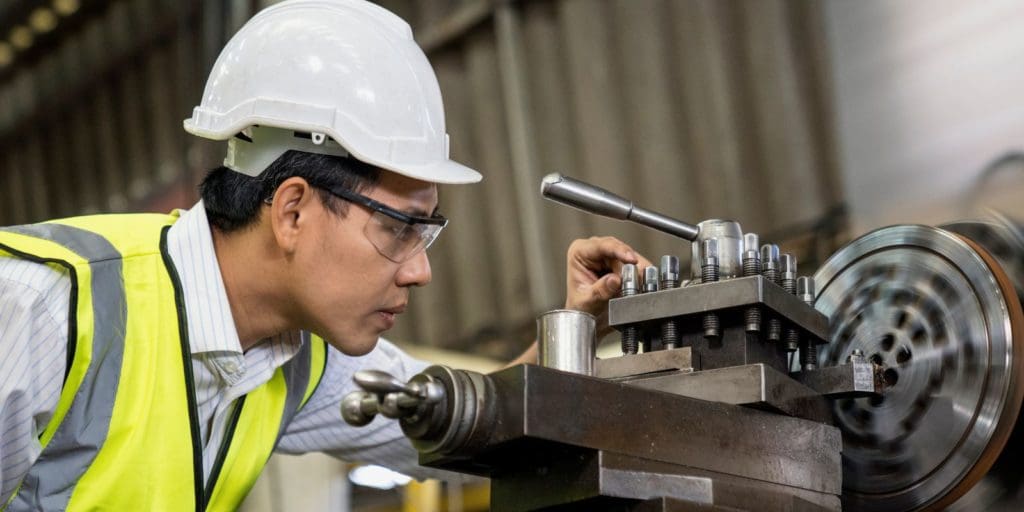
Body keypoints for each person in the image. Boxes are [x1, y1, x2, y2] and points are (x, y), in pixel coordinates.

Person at [0, 1, 648, 510]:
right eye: (398, 228)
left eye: (426, 233)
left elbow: (470, 424)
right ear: (292, 211)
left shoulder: (298, 362)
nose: (420, 270)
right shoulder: (46, 308)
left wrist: (577, 326)